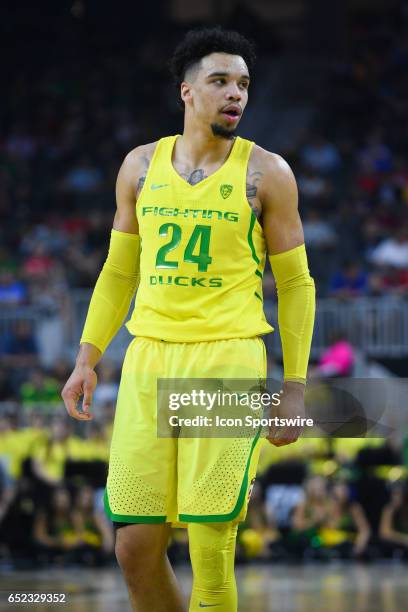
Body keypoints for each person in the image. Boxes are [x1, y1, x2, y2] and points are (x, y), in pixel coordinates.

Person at [62, 27, 315, 612]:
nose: (236, 95)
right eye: (220, 81)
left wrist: (295, 386)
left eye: (244, 85)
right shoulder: (140, 166)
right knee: (135, 546)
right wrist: (87, 358)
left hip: (226, 358)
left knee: (210, 546)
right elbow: (119, 273)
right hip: (149, 357)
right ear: (187, 92)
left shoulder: (268, 173)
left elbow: (297, 283)